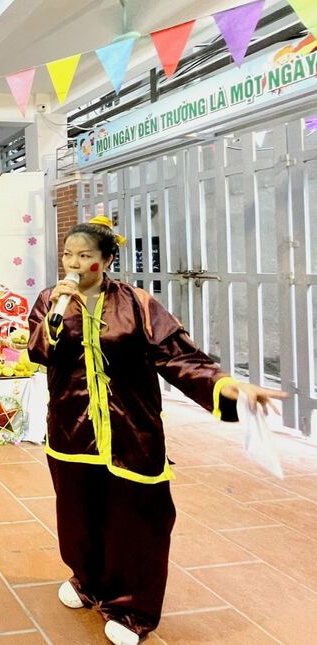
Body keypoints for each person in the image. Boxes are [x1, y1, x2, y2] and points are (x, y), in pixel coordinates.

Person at [27, 215, 285, 645]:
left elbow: (181, 358)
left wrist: (227, 387)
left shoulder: (138, 304)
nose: (73, 264)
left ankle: (133, 609)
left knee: (140, 522)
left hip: (132, 433)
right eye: (68, 255)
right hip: (72, 432)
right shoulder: (49, 301)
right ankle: (86, 580)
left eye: (85, 256)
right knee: (78, 515)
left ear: (107, 260)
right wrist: (55, 318)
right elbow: (38, 352)